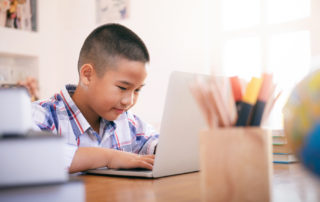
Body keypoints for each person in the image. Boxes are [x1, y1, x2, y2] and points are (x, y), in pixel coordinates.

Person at [31, 23, 159, 173]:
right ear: (87, 75)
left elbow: (155, 143)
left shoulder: (128, 122)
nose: (129, 101)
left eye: (137, 90)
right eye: (122, 88)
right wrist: (109, 158)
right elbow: (34, 157)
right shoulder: (40, 115)